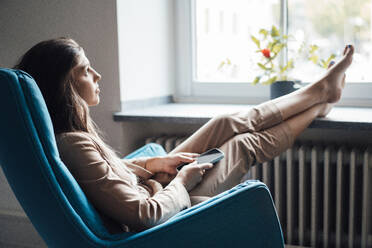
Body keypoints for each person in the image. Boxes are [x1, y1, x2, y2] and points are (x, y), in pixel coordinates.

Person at [14, 38, 354, 233]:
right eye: (85, 71)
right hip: (165, 208)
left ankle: (319, 96)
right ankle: (318, 102)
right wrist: (183, 179)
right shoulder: (73, 144)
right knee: (243, 145)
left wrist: (155, 162)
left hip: (157, 188)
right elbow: (141, 216)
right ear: (65, 88)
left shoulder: (70, 137)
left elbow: (107, 177)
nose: (97, 75)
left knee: (224, 123)